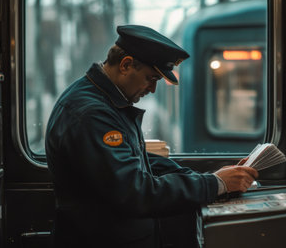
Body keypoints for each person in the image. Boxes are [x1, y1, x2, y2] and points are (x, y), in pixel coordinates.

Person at [45, 25, 258, 248]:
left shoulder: (107, 102)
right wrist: (213, 184)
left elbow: (136, 159)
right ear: (126, 65)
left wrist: (210, 178)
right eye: (151, 78)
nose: (153, 89)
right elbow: (134, 191)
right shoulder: (92, 115)